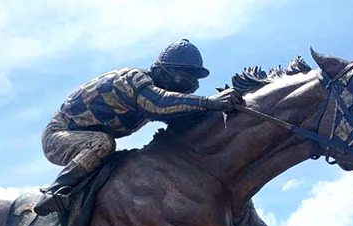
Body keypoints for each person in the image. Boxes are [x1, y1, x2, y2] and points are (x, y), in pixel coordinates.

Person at [34, 39, 245, 216]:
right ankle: (54, 191)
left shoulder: (151, 92)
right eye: (183, 78)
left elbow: (180, 119)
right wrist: (209, 102)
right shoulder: (135, 80)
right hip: (60, 136)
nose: (188, 87)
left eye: (193, 83)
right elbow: (160, 104)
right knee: (102, 144)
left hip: (87, 134)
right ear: (162, 72)